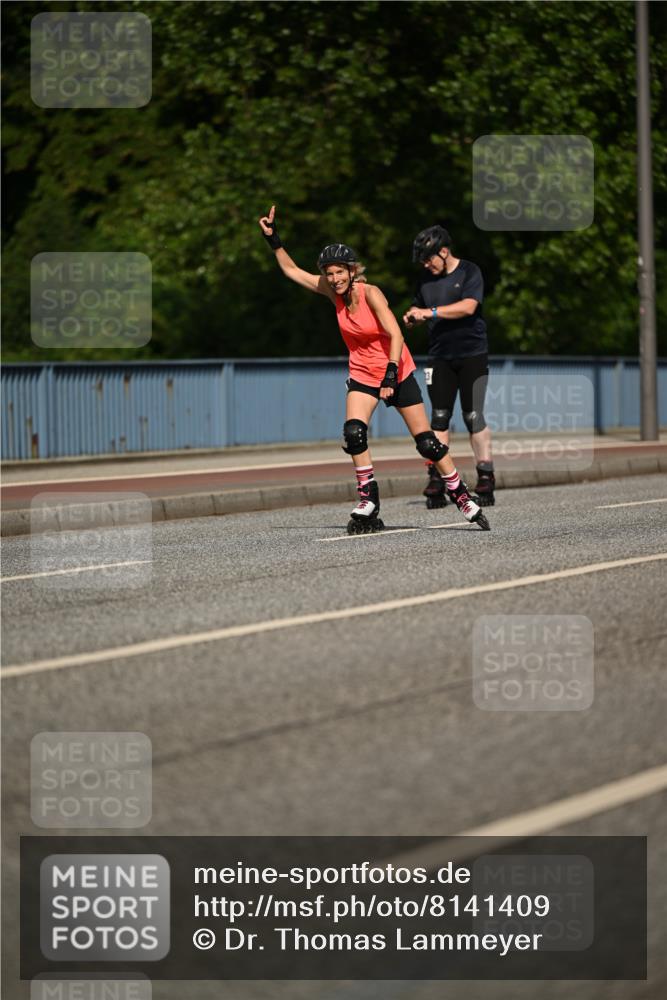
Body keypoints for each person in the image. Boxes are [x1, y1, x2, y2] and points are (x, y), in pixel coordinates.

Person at [258, 206, 490, 533]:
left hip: (396, 369)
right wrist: (273, 239)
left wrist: (392, 373)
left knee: (427, 443)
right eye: (329, 273)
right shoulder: (330, 291)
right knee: (353, 432)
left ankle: (460, 493)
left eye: (340, 272)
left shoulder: (371, 293)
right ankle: (368, 497)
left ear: (352, 271)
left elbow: (395, 333)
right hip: (363, 375)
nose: (334, 279)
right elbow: (292, 271)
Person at [403, 225, 496, 507]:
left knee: (472, 415)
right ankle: (438, 477)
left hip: (472, 354)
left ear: (444, 251)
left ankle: (485, 475)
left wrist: (429, 312)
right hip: (439, 356)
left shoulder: (469, 271)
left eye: (429, 258)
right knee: (439, 418)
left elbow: (468, 307)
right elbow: (418, 307)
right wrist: (412, 316)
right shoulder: (425, 280)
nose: (426, 264)